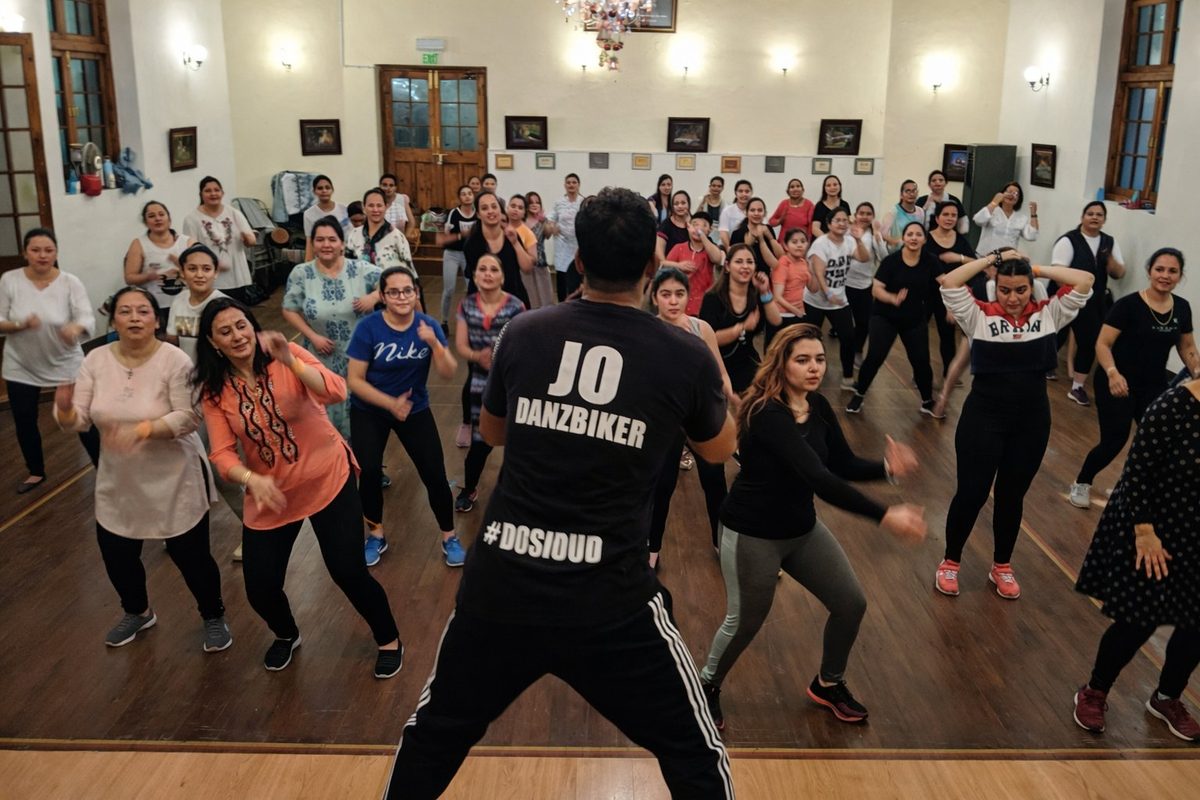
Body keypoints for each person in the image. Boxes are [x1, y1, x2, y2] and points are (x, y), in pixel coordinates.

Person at [384, 187, 738, 800]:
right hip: (611, 601)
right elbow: (717, 451)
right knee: (695, 751)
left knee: (435, 734)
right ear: (653, 271)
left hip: (503, 584)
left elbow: (491, 433)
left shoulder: (525, 332)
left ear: (579, 262)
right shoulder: (682, 352)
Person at [699, 324, 925, 728]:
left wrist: (887, 469)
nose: (814, 368)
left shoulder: (817, 405)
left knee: (850, 603)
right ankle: (707, 685)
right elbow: (817, 477)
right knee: (746, 620)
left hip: (801, 530)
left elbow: (840, 463)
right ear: (781, 363)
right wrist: (885, 515)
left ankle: (828, 683)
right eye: (802, 360)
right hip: (753, 534)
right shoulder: (765, 412)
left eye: (819, 359)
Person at [194, 297, 404, 677]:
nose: (237, 335)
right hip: (271, 492)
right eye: (225, 332)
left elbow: (336, 390)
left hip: (326, 476)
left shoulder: (285, 353)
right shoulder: (215, 391)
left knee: (348, 572)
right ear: (213, 343)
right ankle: (287, 634)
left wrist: (290, 360)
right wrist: (250, 478)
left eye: (242, 325)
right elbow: (222, 453)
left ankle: (388, 638)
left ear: (253, 326)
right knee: (260, 586)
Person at [53, 286, 228, 651]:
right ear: (113, 320)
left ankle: (213, 616)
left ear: (156, 320)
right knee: (117, 553)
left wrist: (145, 430)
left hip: (174, 476)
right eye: (126, 311)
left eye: (143, 311)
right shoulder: (95, 360)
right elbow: (79, 419)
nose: (134, 318)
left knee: (191, 558)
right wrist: (67, 411)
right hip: (119, 478)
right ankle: (138, 611)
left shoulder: (174, 359)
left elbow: (188, 416)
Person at [934, 250, 1093, 600]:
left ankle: (1001, 566)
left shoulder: (1050, 313)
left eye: (1021, 289)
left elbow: (1085, 280)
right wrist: (995, 258)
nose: (1013, 298)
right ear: (995, 287)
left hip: (1031, 420)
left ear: (1031, 288)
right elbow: (950, 281)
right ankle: (950, 561)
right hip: (984, 418)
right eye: (1005, 289)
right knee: (972, 494)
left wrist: (1032, 266)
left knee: (1011, 496)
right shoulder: (978, 315)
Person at [1072, 377, 1200, 742]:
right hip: (1151, 527)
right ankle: (1094, 691)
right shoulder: (1172, 406)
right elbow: (1137, 475)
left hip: (1196, 531)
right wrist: (1145, 534)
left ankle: (1167, 697)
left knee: (1196, 624)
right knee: (1140, 618)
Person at [346, 267, 463, 568]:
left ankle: (449, 536)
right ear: (383, 296)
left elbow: (449, 373)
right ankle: (376, 534)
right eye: (394, 292)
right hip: (370, 409)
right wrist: (389, 403)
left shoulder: (428, 325)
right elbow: (355, 380)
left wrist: (435, 343)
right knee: (369, 471)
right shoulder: (368, 328)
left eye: (408, 290)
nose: (402, 297)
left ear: (416, 292)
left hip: (414, 408)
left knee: (434, 473)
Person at [1069, 248, 1198, 508]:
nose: (1165, 275)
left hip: (1153, 385)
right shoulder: (1128, 305)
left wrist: (1197, 371)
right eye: (1160, 269)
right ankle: (1082, 482)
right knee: (1115, 440)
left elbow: (1187, 347)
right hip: (1115, 380)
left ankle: (1128, 488)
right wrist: (1113, 374)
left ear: (1180, 276)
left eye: (1172, 271)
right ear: (1150, 271)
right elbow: (1103, 344)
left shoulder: (1182, 308)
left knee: (1155, 442)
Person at [647, 267, 736, 570]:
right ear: (655, 298)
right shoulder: (648, 330)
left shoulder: (701, 328)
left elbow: (719, 370)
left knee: (714, 481)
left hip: (700, 414)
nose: (673, 301)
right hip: (667, 417)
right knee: (662, 483)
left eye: (679, 294)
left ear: (688, 296)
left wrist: (727, 390)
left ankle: (720, 541)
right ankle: (651, 546)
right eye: (666, 294)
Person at [0, 228, 100, 493]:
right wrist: (20, 324)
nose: (42, 256)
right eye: (35, 250)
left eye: (48, 250)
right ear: (25, 252)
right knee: (24, 418)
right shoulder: (9, 280)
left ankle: (103, 467)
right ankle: (35, 471)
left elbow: (87, 317)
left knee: (82, 418)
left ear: (56, 252)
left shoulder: (70, 282)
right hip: (21, 363)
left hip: (65, 361)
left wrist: (75, 329)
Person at [699, 245, 782, 547]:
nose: (746, 266)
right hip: (714, 366)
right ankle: (719, 532)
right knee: (715, 437)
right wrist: (739, 328)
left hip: (747, 365)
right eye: (740, 261)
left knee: (758, 426)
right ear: (728, 266)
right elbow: (708, 338)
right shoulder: (712, 299)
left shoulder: (754, 294)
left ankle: (750, 462)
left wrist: (766, 292)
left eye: (750, 261)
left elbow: (774, 321)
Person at [281, 216, 382, 440]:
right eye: (320, 240)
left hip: (359, 356)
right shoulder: (302, 273)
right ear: (313, 244)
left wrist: (374, 296)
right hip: (319, 355)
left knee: (363, 415)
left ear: (342, 244)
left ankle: (368, 467)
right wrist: (312, 336)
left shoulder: (360, 269)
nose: (326, 245)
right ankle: (335, 469)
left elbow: (396, 281)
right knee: (323, 415)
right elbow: (289, 309)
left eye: (332, 239)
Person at [452, 254, 525, 513]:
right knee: (480, 443)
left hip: (512, 384)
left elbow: (523, 346)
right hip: (480, 385)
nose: (487, 273)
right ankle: (470, 488)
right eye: (481, 268)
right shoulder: (466, 305)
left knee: (518, 444)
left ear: (502, 276)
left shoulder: (516, 307)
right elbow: (461, 345)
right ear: (474, 274)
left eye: (494, 269)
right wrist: (477, 357)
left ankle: (519, 493)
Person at [846, 222, 938, 416]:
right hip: (884, 316)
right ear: (903, 238)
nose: (914, 238)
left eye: (918, 234)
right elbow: (876, 289)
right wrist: (892, 298)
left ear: (925, 239)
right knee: (876, 355)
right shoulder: (891, 261)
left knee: (921, 360)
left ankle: (927, 400)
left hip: (914, 318)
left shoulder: (930, 261)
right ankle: (859, 394)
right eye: (910, 234)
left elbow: (945, 282)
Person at [1051, 201, 1127, 406]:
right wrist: (1072, 295)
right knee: (1054, 337)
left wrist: (1111, 261)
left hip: (1094, 303)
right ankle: (1039, 370)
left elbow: (1119, 273)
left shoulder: (1109, 242)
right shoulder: (1068, 240)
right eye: (1090, 213)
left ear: (1104, 220)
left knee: (1090, 343)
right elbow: (1058, 273)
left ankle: (1077, 387)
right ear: (1082, 217)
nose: (1094, 217)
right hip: (1066, 298)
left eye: (1099, 215)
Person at [805, 208, 869, 386]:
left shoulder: (849, 241)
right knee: (811, 339)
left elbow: (864, 258)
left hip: (839, 301)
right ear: (828, 224)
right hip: (815, 300)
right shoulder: (821, 243)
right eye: (837, 220)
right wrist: (828, 293)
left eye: (845, 221)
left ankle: (847, 377)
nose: (842, 224)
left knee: (848, 337)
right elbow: (818, 272)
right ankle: (810, 374)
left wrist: (858, 239)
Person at [923, 201, 978, 384]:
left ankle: (949, 372)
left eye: (953, 215)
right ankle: (920, 373)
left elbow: (976, 263)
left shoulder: (961, 240)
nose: (949, 218)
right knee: (919, 334)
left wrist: (958, 257)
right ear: (937, 218)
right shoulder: (926, 239)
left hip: (950, 295)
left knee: (947, 334)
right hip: (926, 292)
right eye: (945, 214)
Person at [181, 176, 257, 300]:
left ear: (222, 193)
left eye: (217, 190)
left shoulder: (234, 213)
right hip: (209, 278)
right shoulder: (192, 219)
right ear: (201, 194)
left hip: (236, 275)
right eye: (208, 191)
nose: (213, 194)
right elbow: (191, 250)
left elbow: (251, 239)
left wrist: (248, 239)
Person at [123, 201, 190, 328]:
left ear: (169, 219)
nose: (157, 219)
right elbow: (129, 278)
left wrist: (180, 265)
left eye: (161, 214)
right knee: (162, 343)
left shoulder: (186, 242)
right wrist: (150, 276)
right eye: (152, 216)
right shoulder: (139, 244)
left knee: (185, 340)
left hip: (184, 306)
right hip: (156, 308)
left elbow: (204, 266)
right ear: (145, 222)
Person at [462, 191, 532, 308]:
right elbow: (478, 281)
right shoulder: (472, 244)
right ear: (478, 214)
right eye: (484, 208)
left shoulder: (512, 236)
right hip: (485, 305)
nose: (491, 211)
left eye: (494, 206)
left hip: (514, 301)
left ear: (500, 210)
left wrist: (515, 243)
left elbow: (527, 268)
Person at [166, 245, 229, 362]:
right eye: (192, 269)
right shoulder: (179, 300)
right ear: (182, 272)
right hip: (187, 374)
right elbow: (173, 339)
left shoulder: (225, 305)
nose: (199, 275)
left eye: (206, 269)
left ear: (216, 273)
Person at [844, 202, 886, 366]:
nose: (864, 216)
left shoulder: (874, 235)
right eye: (861, 213)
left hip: (864, 285)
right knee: (844, 324)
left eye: (868, 213)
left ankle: (857, 351)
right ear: (855, 214)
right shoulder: (847, 232)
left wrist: (877, 234)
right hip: (844, 284)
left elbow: (883, 257)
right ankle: (845, 352)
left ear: (873, 217)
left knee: (864, 323)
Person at [662, 211, 724, 316]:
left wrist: (702, 235)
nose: (698, 228)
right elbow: (663, 265)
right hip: (679, 304)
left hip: (703, 304)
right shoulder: (679, 247)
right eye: (695, 224)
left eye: (704, 225)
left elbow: (717, 259)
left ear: (710, 230)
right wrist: (679, 266)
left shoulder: (711, 249)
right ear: (688, 227)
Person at [346, 188, 416, 277]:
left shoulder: (397, 236)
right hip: (360, 289)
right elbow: (348, 266)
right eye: (371, 205)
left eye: (379, 205)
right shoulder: (354, 234)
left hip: (389, 288)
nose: (375, 210)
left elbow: (409, 269)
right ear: (364, 208)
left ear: (386, 207)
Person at [435, 184, 477, 331]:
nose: (467, 196)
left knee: (472, 288)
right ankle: (444, 321)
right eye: (463, 194)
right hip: (452, 254)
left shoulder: (477, 213)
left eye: (469, 193)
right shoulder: (454, 213)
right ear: (459, 197)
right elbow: (443, 238)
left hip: (469, 255)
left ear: (473, 196)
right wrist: (461, 235)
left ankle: (471, 320)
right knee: (449, 289)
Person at [768, 227, 811, 344]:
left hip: (798, 313)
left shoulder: (804, 263)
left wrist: (814, 271)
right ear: (786, 246)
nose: (799, 245)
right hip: (782, 315)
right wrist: (797, 312)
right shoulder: (783, 263)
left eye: (803, 241)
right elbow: (777, 296)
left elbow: (813, 289)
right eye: (794, 242)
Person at [545, 173, 583, 301]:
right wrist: (552, 226)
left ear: (579, 185)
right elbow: (550, 219)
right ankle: (562, 304)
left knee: (577, 277)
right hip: (562, 246)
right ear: (565, 185)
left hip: (578, 246)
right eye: (568, 182)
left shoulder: (583, 202)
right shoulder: (559, 203)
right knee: (562, 279)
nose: (571, 185)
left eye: (574, 182)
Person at [972, 181, 1038, 255]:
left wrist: (1033, 214)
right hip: (985, 258)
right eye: (1009, 192)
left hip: (1007, 260)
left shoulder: (1021, 218)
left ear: (1019, 199)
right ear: (1002, 194)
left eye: (1016, 194)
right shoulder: (992, 211)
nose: (1012, 195)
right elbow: (978, 220)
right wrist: (994, 202)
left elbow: (1032, 236)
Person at [729, 197, 783, 275]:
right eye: (752, 210)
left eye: (760, 210)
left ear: (764, 213)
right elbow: (733, 260)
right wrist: (748, 244)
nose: (756, 213)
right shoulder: (737, 233)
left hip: (765, 276)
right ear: (746, 213)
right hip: (744, 275)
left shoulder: (768, 229)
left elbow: (781, 256)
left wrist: (770, 237)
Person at [302, 175, 351, 259]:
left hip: (346, 255)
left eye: (327, 188)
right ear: (314, 191)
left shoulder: (345, 209)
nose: (324, 191)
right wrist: (308, 264)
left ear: (332, 190)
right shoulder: (309, 214)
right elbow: (310, 242)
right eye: (320, 188)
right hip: (323, 257)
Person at [522, 191, 556, 309]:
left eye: (537, 202)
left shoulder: (543, 220)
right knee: (530, 297)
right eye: (531, 202)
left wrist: (544, 221)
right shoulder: (521, 221)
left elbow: (548, 234)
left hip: (541, 263)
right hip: (525, 264)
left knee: (545, 297)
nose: (534, 204)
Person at [879, 179, 926, 253]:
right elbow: (881, 234)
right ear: (901, 195)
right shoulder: (894, 212)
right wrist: (897, 242)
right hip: (898, 253)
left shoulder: (920, 212)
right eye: (908, 191)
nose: (911, 194)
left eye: (914, 191)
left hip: (915, 252)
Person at [654, 190, 693, 267]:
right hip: (671, 270)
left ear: (689, 204)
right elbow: (660, 257)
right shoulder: (666, 225)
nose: (680, 206)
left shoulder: (694, 223)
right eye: (676, 203)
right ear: (672, 206)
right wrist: (678, 265)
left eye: (683, 203)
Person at [769, 178, 815, 243]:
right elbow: (771, 222)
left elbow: (811, 227)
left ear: (802, 190)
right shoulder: (784, 204)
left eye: (798, 186)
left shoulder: (809, 204)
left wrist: (808, 243)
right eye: (792, 187)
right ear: (788, 191)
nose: (795, 189)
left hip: (801, 243)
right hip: (784, 243)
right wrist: (780, 220)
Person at [379, 172, 419, 246]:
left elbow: (411, 222)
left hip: (398, 241)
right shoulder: (376, 199)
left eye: (391, 185)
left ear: (395, 187)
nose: (388, 188)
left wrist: (405, 238)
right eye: (385, 185)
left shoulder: (401, 199)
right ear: (380, 186)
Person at [718, 179, 753, 250]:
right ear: (735, 193)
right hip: (727, 247)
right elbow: (723, 232)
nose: (744, 194)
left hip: (749, 247)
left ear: (751, 193)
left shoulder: (755, 211)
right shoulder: (727, 211)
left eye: (747, 191)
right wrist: (729, 249)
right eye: (740, 191)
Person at [696, 176, 725, 244]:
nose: (716, 188)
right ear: (710, 186)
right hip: (702, 233)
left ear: (722, 188)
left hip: (718, 236)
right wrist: (703, 202)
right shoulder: (702, 200)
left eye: (719, 186)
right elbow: (695, 216)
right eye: (713, 185)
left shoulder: (725, 204)